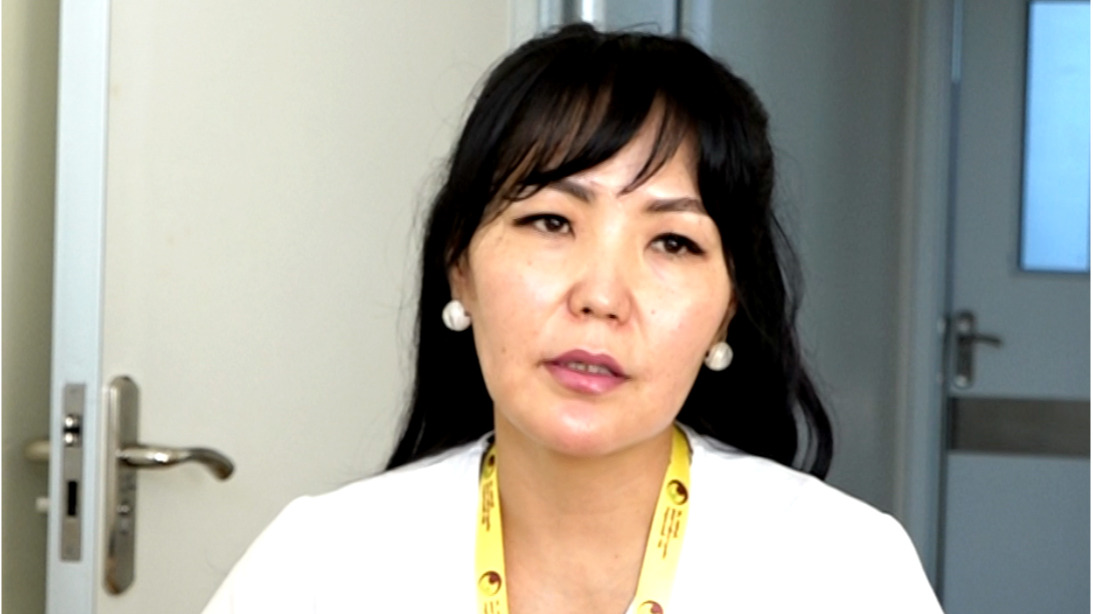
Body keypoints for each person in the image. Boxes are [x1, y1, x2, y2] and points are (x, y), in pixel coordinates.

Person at [203, 24, 944, 613]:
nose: (601, 294)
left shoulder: (840, 569)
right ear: (459, 265)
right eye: (551, 222)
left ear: (728, 311)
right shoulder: (318, 566)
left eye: (673, 241)